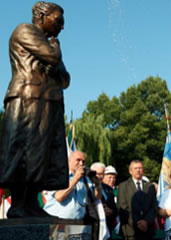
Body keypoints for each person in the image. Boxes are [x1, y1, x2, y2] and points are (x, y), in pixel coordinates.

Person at [0, 1, 70, 218]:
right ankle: (19, 204)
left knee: (43, 156)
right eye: (58, 20)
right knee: (25, 151)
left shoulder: (48, 43)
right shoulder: (25, 31)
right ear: (42, 16)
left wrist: (54, 58)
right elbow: (51, 57)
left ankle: (32, 204)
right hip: (27, 100)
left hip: (49, 103)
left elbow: (65, 80)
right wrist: (55, 48)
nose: (61, 26)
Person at [44, 151, 101, 220]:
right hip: (57, 221)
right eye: (78, 160)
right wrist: (75, 179)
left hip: (77, 223)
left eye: (83, 161)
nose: (81, 163)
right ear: (69, 161)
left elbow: (97, 197)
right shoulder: (58, 175)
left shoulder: (85, 179)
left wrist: (98, 185)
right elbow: (59, 197)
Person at [117, 160, 157, 240]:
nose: (138, 170)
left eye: (140, 168)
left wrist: (146, 221)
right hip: (130, 231)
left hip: (147, 230)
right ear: (130, 171)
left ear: (143, 170)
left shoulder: (150, 186)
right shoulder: (123, 186)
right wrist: (137, 223)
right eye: (135, 168)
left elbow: (154, 207)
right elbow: (122, 207)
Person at [91, 162, 118, 238]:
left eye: (102, 174)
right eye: (98, 174)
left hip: (107, 227)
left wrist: (111, 211)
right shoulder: (87, 187)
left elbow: (115, 209)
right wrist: (101, 210)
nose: (100, 176)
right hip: (94, 226)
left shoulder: (108, 189)